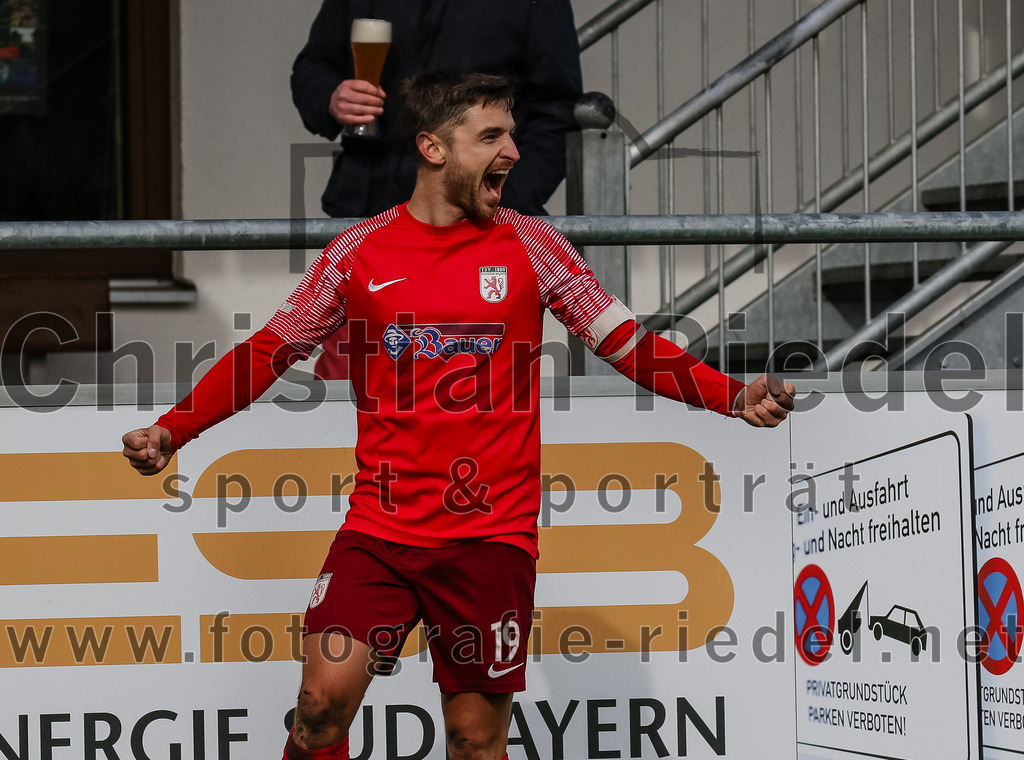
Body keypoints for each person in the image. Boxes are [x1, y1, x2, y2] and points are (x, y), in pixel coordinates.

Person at [122, 71, 795, 760]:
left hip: (489, 539)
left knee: (474, 741)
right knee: (318, 708)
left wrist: (729, 394)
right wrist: (175, 428)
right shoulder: (359, 253)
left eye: (512, 134)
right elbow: (268, 351)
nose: (514, 152)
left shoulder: (535, 245)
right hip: (379, 532)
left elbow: (626, 342)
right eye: (492, 136)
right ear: (433, 148)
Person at [292, 0, 582, 219]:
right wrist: (330, 96)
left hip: (479, 218)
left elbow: (558, 108)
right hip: (367, 207)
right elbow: (314, 66)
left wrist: (509, 198)